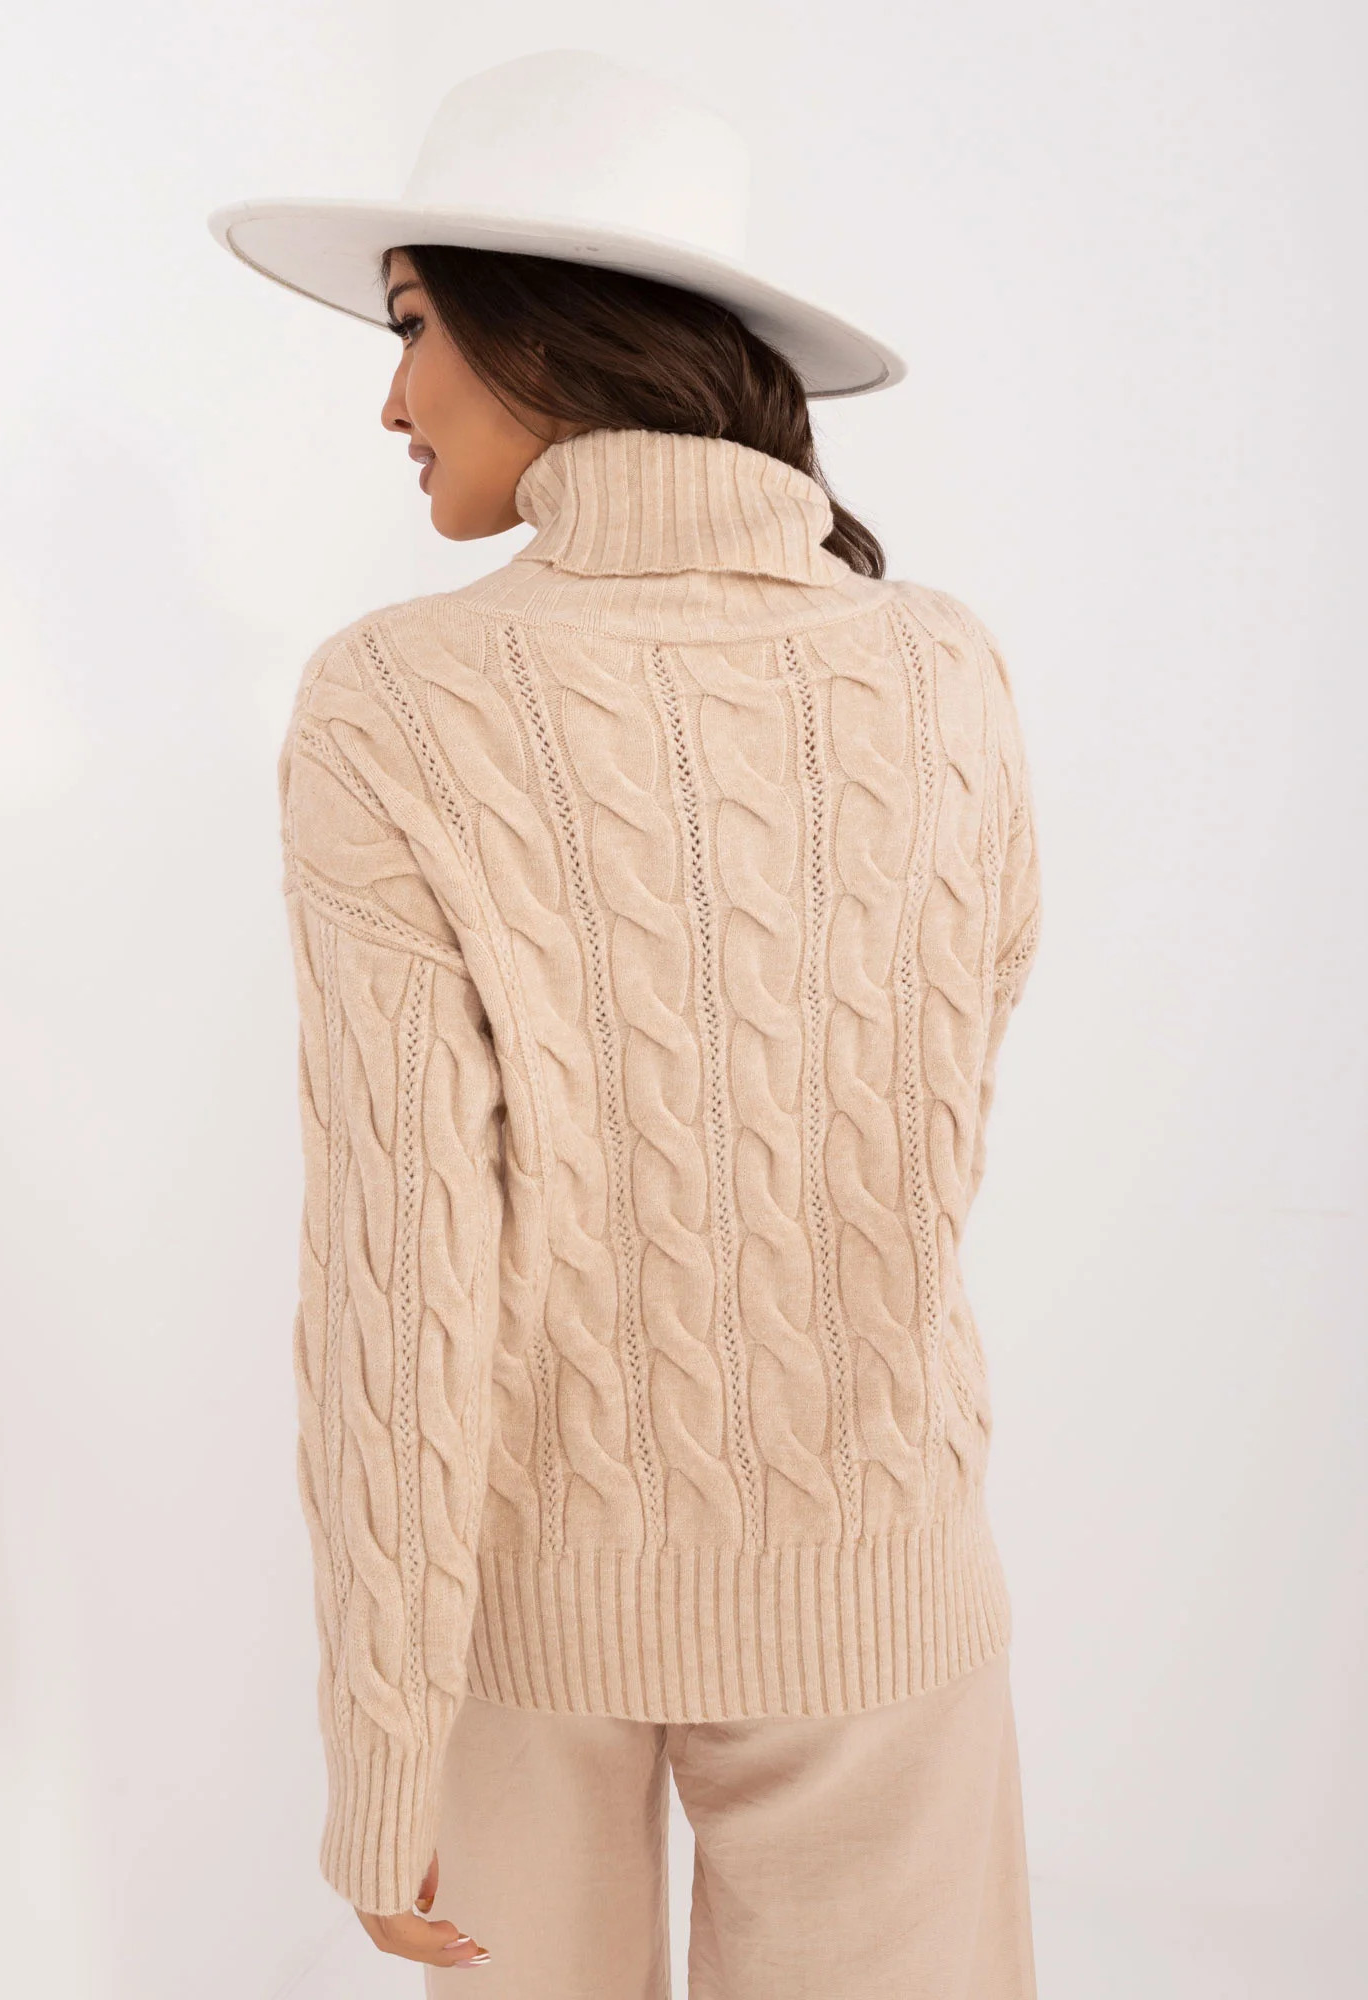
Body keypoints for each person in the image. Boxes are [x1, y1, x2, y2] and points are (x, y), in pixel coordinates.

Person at [210, 50, 1043, 2000]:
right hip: (885, 1577)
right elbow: (944, 1103)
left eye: (412, 329)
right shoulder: (943, 667)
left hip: (520, 1616)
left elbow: (403, 1258)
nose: (389, 399)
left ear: (542, 330)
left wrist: (381, 1745)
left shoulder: (400, 702)